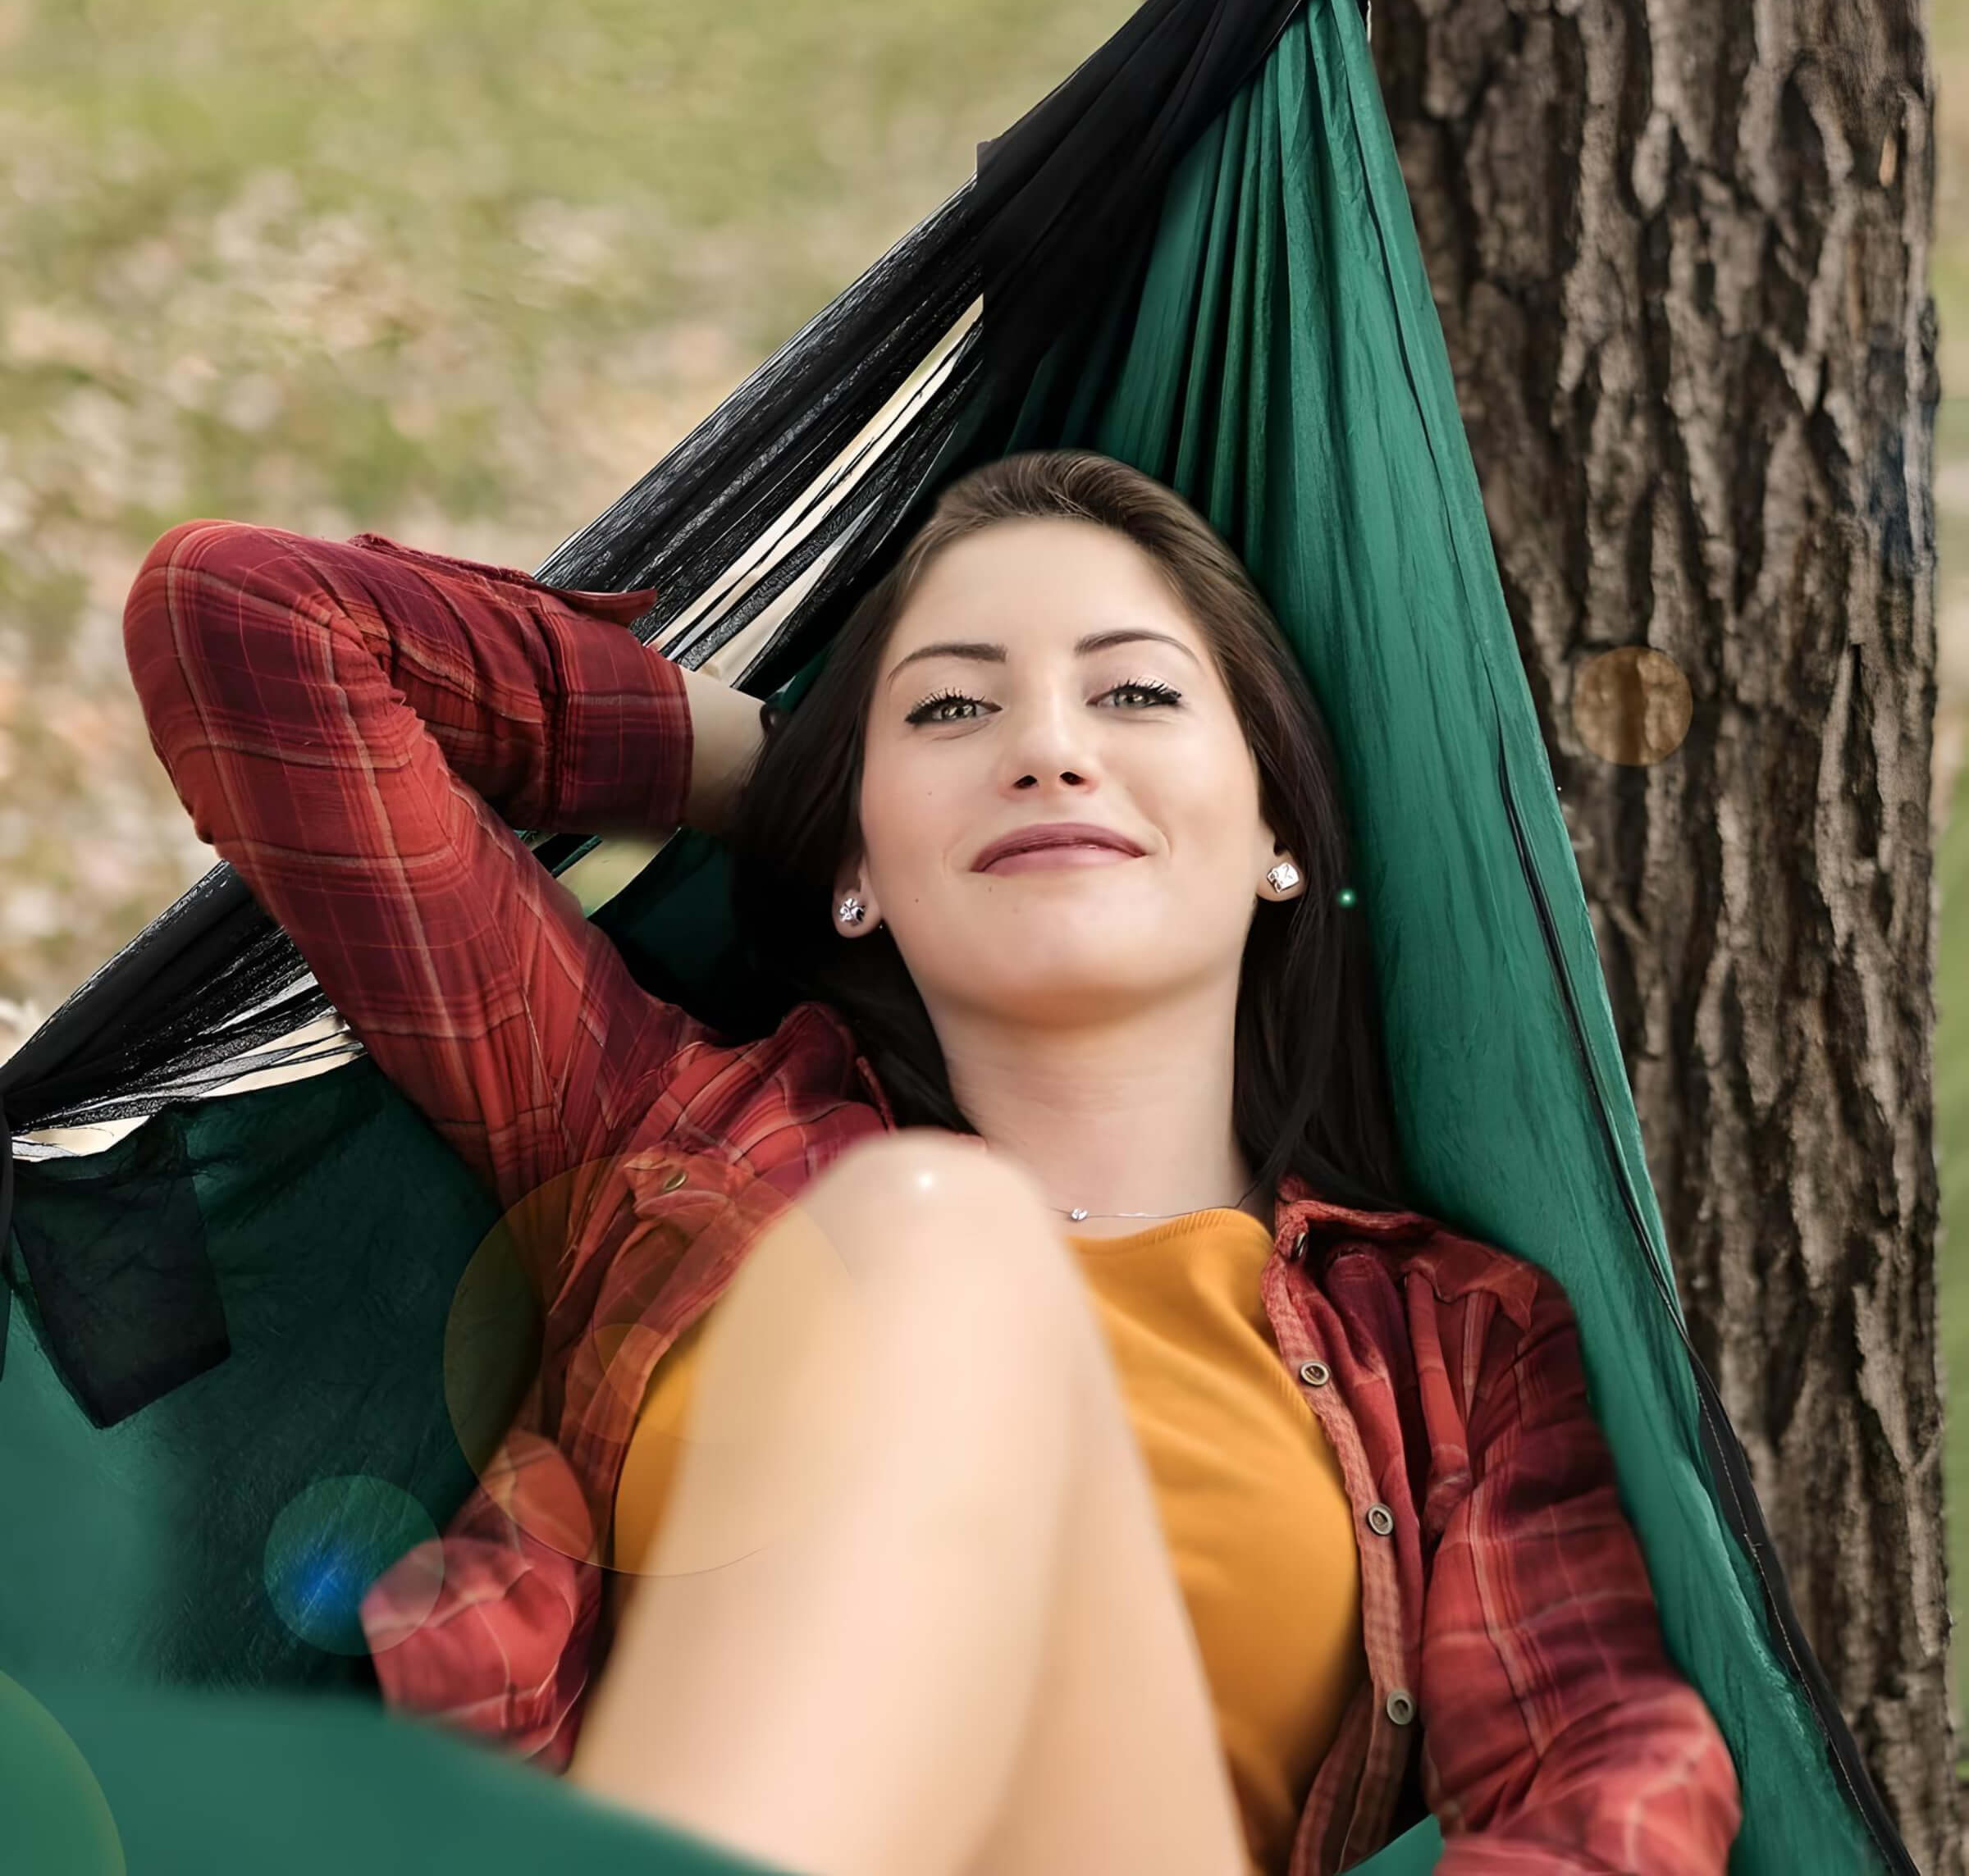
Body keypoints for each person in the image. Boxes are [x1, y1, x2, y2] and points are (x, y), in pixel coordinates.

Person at [121, 450, 1742, 1876]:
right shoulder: (660, 1143)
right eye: (953, 708)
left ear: (1277, 838)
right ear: (857, 872)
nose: (1045, 750)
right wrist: (798, 786)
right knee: (933, 1228)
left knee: (943, 1231)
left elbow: (1612, 1789)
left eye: (1137, 694)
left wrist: (895, 789)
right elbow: (253, 626)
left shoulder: (1451, 1341)